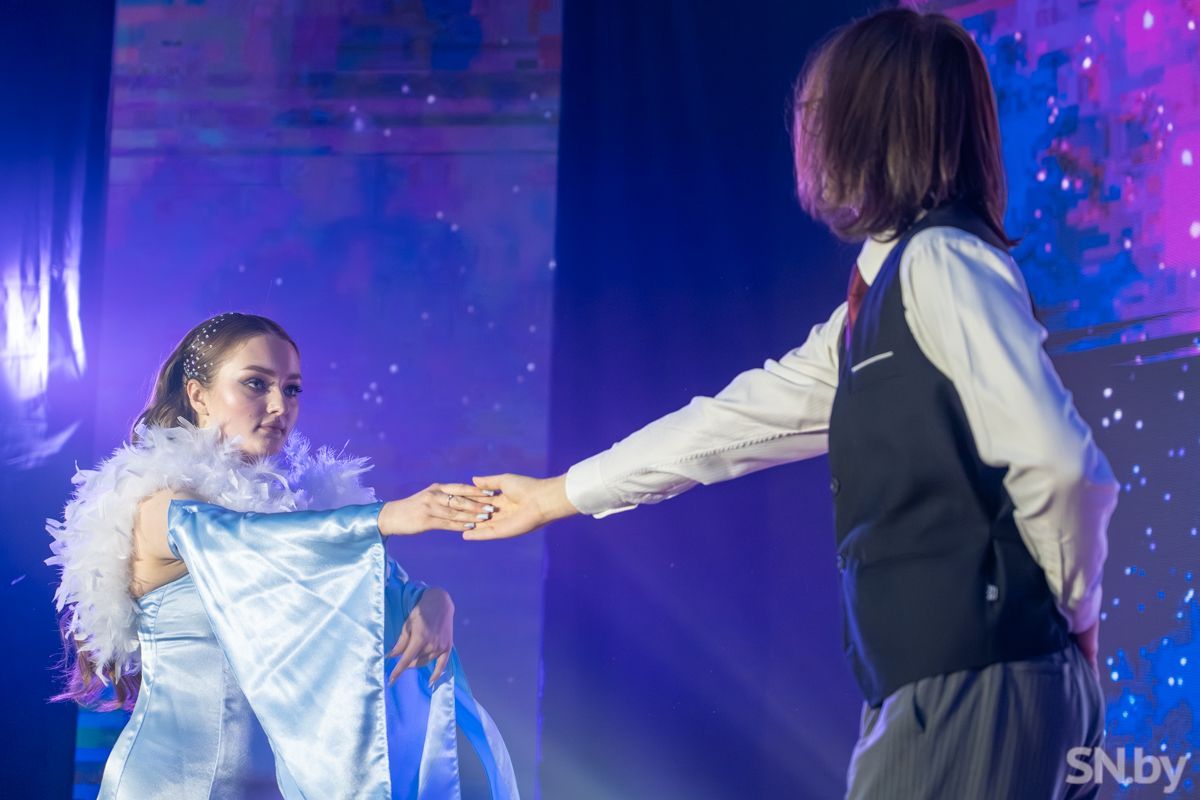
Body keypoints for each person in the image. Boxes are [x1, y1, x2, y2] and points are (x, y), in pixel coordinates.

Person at [464, 8, 1116, 799]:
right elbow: (729, 427)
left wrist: (1072, 617)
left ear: (869, 125)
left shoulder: (943, 262)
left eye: (819, 109)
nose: (805, 128)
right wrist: (557, 495)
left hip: (976, 681)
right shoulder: (880, 299)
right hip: (956, 684)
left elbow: (1062, 467)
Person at [47, 312, 519, 799]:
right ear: (198, 395)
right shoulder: (164, 502)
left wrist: (431, 601)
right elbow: (257, 545)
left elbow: (359, 586)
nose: (279, 405)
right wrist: (386, 516)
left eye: (291, 389)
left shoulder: (296, 514)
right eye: (256, 383)